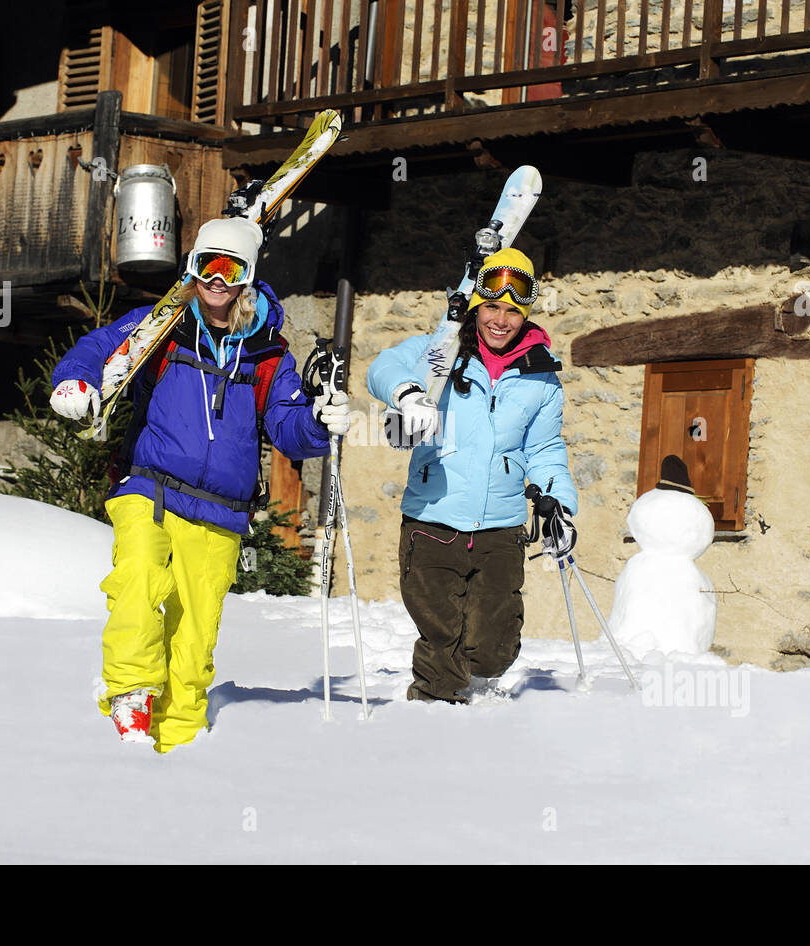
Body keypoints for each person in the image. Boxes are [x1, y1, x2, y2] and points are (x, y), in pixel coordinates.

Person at [50, 217, 349, 751]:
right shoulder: (161, 325)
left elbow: (288, 427)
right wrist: (73, 380)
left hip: (220, 511)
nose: (215, 278)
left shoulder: (269, 355)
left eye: (228, 268)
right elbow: (98, 349)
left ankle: (176, 749)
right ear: (191, 268)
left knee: (193, 643)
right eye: (205, 264)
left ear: (247, 277)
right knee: (139, 576)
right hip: (151, 487)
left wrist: (320, 423)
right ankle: (131, 691)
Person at [366, 248, 578, 703]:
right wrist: (407, 394)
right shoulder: (442, 352)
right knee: (442, 638)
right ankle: (436, 722)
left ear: (525, 315)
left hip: (500, 526)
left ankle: (482, 700)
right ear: (477, 307)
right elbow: (382, 367)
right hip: (433, 517)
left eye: (512, 311)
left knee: (493, 645)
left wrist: (557, 500)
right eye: (492, 308)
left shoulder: (541, 376)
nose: (500, 320)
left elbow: (543, 447)